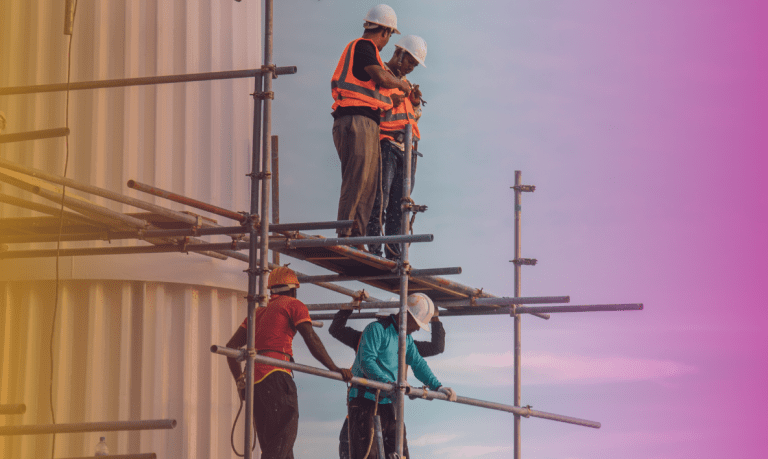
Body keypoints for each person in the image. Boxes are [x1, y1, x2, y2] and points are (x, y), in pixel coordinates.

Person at [226, 266, 353, 459]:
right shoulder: (293, 304)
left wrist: (240, 381)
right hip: (276, 376)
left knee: (277, 444)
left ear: (272, 290)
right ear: (293, 289)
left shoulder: (258, 313)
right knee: (284, 436)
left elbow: (230, 348)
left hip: (256, 382)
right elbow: (311, 338)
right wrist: (334, 368)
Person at [331, 4, 412, 241]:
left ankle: (357, 236)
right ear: (386, 31)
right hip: (355, 120)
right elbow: (380, 77)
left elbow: (376, 91)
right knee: (357, 179)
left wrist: (399, 96)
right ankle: (346, 234)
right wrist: (400, 84)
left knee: (368, 185)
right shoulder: (364, 46)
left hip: (365, 122)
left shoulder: (368, 54)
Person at [330, 293, 445, 459]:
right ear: (406, 315)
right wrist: (389, 383)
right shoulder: (375, 330)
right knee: (368, 454)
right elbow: (366, 361)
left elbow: (419, 363)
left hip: (390, 402)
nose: (419, 328)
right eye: (418, 323)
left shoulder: (406, 339)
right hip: (366, 400)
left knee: (399, 454)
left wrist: (438, 386)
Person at [365, 35, 428, 258]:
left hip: (407, 150)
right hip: (387, 145)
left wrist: (416, 103)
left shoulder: (406, 85)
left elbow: (411, 117)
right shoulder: (381, 74)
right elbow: (372, 106)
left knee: (399, 207)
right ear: (399, 53)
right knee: (379, 199)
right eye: (409, 61)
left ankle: (394, 254)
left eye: (414, 64)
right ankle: (374, 249)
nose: (411, 68)